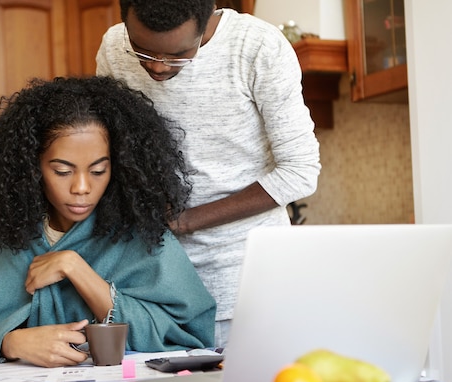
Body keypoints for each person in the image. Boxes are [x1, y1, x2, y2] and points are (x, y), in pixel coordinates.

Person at [0, 76, 216, 367]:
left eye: (98, 171)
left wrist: (75, 268)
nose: (81, 187)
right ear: (32, 168)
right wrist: (10, 342)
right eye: (62, 171)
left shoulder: (140, 236)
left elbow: (189, 336)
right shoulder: (14, 238)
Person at [96, 0, 321, 347]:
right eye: (143, 51)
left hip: (246, 287)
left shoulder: (256, 46)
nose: (157, 68)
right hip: (150, 288)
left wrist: (185, 221)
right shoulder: (114, 47)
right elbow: (106, 147)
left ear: (207, 19)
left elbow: (300, 171)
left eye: (178, 54)